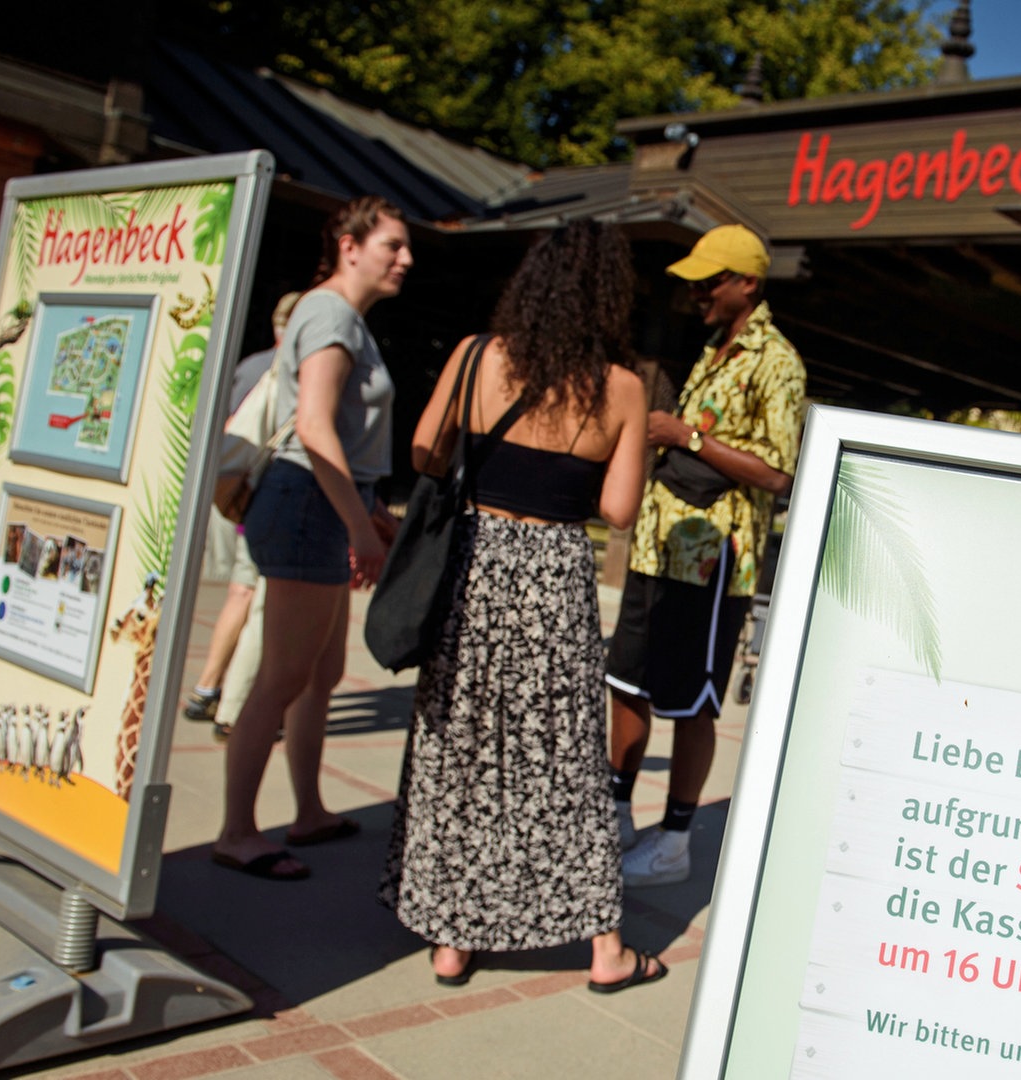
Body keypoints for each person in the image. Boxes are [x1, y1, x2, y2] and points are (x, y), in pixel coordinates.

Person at [379, 220, 665, 992]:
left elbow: (424, 451)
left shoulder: (478, 356)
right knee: (565, 757)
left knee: (461, 747)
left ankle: (454, 939)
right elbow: (619, 509)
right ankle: (605, 951)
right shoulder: (625, 387)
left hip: (473, 567)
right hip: (555, 579)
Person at [212, 196, 406, 881]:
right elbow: (315, 425)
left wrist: (369, 511)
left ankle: (310, 810)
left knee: (318, 675)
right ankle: (237, 830)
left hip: (323, 502)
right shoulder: (328, 313)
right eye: (393, 245)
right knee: (283, 677)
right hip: (307, 503)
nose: (405, 259)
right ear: (350, 246)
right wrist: (361, 526)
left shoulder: (341, 317)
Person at [606, 224, 806, 887]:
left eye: (709, 281)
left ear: (748, 283)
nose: (696, 294)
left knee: (692, 702)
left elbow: (779, 473)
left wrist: (683, 435)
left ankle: (675, 840)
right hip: (660, 548)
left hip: (714, 559)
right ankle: (612, 814)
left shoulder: (776, 361)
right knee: (628, 681)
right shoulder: (714, 351)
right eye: (693, 282)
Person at [185, 290, 302, 730]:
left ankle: (206, 687)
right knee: (261, 604)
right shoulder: (284, 374)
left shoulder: (247, 367)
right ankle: (237, 708)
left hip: (244, 497)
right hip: (270, 497)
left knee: (240, 593)